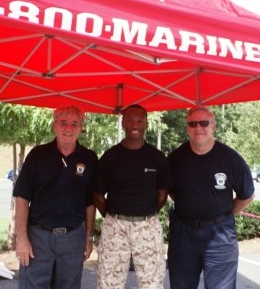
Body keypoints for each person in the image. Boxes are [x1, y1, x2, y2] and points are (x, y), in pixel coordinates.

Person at [167, 105, 255, 289]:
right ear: (187, 129)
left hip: (220, 236)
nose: (198, 127)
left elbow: (247, 195)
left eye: (204, 123)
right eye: (192, 124)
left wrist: (224, 215)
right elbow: (171, 191)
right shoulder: (175, 159)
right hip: (183, 234)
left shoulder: (231, 158)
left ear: (213, 126)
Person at [13, 106, 98, 289]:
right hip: (38, 238)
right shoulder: (38, 155)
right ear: (55, 126)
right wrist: (22, 238)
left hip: (73, 238)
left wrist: (89, 238)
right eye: (63, 123)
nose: (68, 128)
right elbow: (22, 198)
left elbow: (90, 203)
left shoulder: (89, 158)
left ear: (80, 128)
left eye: (74, 124)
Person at [93, 104, 172, 289]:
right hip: (115, 226)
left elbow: (162, 194)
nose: (134, 124)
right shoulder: (110, 156)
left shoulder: (157, 157)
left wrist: (144, 213)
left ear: (146, 124)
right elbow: (97, 195)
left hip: (147, 226)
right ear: (123, 123)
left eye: (139, 120)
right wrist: (114, 216)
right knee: (108, 284)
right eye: (129, 120)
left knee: (151, 283)